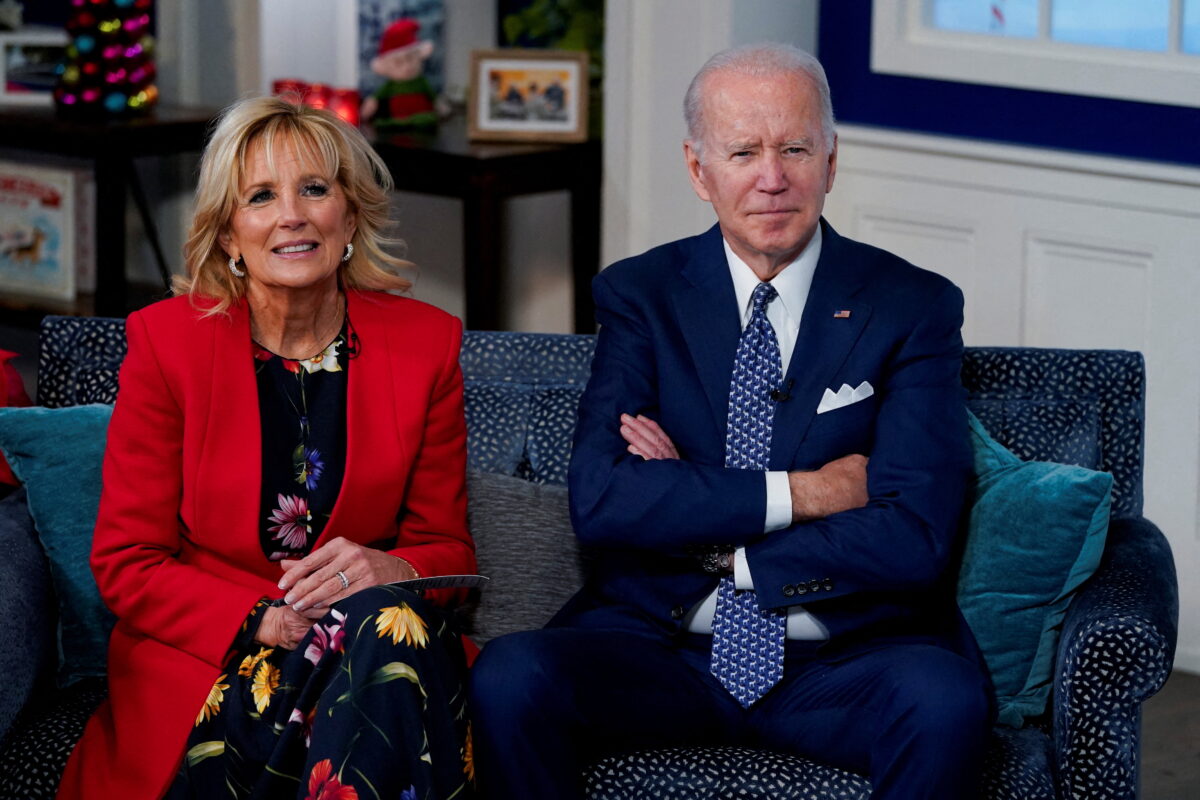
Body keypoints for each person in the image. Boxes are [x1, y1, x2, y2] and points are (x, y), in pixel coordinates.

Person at [469, 43, 993, 799]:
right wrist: (808, 493)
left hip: (843, 658)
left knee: (945, 700)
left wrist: (704, 521)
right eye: (743, 152)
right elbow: (604, 499)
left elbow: (916, 533)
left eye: (795, 149)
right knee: (513, 676)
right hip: (660, 647)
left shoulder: (912, 306)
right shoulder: (640, 295)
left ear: (831, 161)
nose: (771, 179)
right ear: (699, 170)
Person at [58, 96, 476, 800]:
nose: (292, 215)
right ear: (228, 233)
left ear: (349, 217)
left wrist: (392, 566)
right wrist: (270, 620)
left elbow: (451, 553)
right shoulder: (167, 345)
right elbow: (128, 563)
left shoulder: (426, 345)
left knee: (385, 630)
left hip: (370, 651)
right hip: (220, 658)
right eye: (260, 197)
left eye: (314, 189)